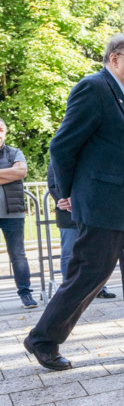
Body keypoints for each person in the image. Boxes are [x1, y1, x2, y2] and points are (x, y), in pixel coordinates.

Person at [25, 34, 124, 371]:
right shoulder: (94, 88)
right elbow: (62, 146)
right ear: (114, 58)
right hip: (104, 203)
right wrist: (64, 192)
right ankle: (43, 339)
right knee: (89, 273)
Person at [46, 164, 115, 299]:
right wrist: (68, 200)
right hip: (67, 213)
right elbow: (53, 184)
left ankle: (98, 289)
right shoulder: (57, 157)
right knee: (69, 253)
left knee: (96, 252)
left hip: (92, 213)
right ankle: (70, 290)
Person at [0, 118, 37, 308]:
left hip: (12, 213)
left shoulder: (15, 152)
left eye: (0, 130)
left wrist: (13, 173)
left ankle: (26, 294)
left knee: (18, 256)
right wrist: (9, 173)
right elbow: (13, 173)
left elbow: (21, 172)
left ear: (5, 132)